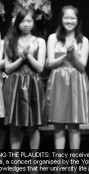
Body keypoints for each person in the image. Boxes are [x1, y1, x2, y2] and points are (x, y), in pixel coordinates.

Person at [46, 6, 89, 152]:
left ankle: (74, 164)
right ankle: (59, 163)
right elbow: (50, 63)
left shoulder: (83, 40)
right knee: (58, 126)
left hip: (76, 83)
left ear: (77, 20)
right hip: (58, 83)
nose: (69, 21)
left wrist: (73, 52)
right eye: (66, 18)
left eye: (72, 18)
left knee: (74, 126)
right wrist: (64, 55)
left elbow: (82, 66)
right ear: (61, 20)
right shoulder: (53, 38)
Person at [3, 9, 46, 151]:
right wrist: (21, 58)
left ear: (33, 22)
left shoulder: (40, 41)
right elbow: (8, 69)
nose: (26, 24)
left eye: (29, 21)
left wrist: (28, 56)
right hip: (15, 84)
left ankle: (34, 163)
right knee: (15, 126)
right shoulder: (9, 41)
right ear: (17, 23)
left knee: (34, 126)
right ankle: (15, 164)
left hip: (33, 83)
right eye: (22, 21)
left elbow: (40, 68)